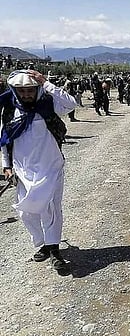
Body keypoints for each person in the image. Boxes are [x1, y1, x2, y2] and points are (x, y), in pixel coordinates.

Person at [0, 70, 77, 271]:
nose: (26, 94)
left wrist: (46, 83)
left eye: (30, 90)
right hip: (23, 169)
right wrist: (6, 165)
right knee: (27, 212)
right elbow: (5, 141)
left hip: (51, 166)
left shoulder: (49, 105)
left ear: (37, 89)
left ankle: (54, 249)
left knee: (51, 210)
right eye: (22, 91)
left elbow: (71, 104)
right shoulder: (10, 111)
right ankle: (43, 242)